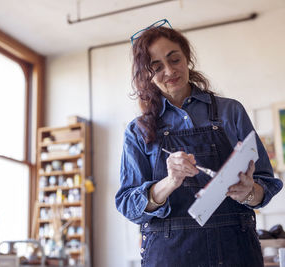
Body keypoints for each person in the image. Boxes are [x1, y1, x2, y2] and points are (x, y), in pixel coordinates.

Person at [115, 19, 283, 267]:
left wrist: (249, 192)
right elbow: (128, 205)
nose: (170, 71)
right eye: (157, 66)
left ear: (187, 58)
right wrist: (170, 182)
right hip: (170, 254)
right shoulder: (137, 131)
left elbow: (265, 185)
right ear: (146, 74)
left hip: (235, 250)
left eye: (174, 59)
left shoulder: (231, 112)